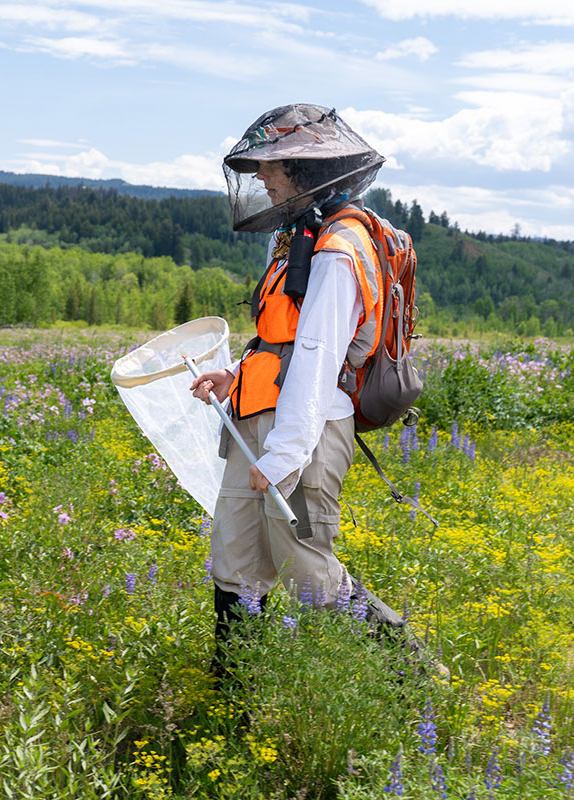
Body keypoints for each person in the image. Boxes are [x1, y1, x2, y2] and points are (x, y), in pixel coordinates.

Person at [187, 104, 408, 675]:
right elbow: (281, 338)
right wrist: (237, 375)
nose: (260, 178)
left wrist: (285, 454)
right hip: (255, 419)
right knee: (234, 561)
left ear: (301, 171)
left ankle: (408, 672)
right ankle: (233, 694)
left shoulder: (339, 248)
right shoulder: (297, 239)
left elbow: (315, 359)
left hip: (302, 432)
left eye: (270, 167)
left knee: (307, 570)